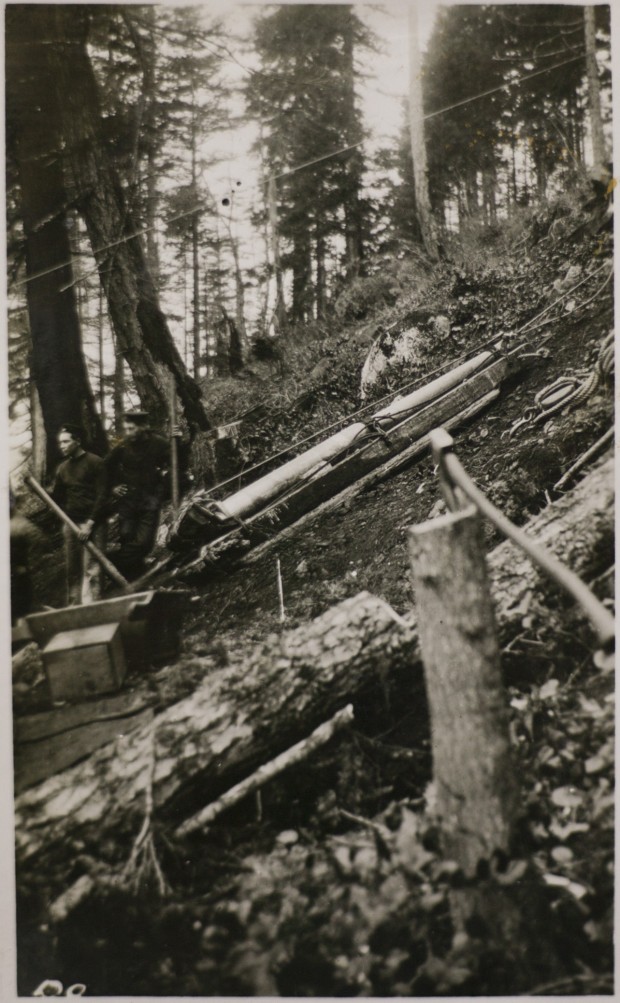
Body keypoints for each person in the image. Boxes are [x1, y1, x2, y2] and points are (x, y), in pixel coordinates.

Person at [102, 410, 179, 580]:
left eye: (131, 429)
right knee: (127, 538)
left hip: (150, 499)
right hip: (127, 501)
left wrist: (177, 441)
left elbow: (177, 462)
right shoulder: (123, 447)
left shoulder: (159, 444)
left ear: (144, 427)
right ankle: (131, 577)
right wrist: (113, 487)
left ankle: (108, 562)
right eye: (126, 429)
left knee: (143, 544)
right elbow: (104, 468)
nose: (128, 433)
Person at [51, 425, 106, 606]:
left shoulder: (95, 462)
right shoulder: (62, 469)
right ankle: (74, 608)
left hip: (93, 523)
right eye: (60, 442)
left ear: (78, 441)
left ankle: (94, 608)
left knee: (93, 569)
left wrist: (90, 523)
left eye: (66, 441)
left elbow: (102, 496)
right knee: (72, 570)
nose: (62, 446)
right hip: (71, 524)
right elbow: (57, 498)